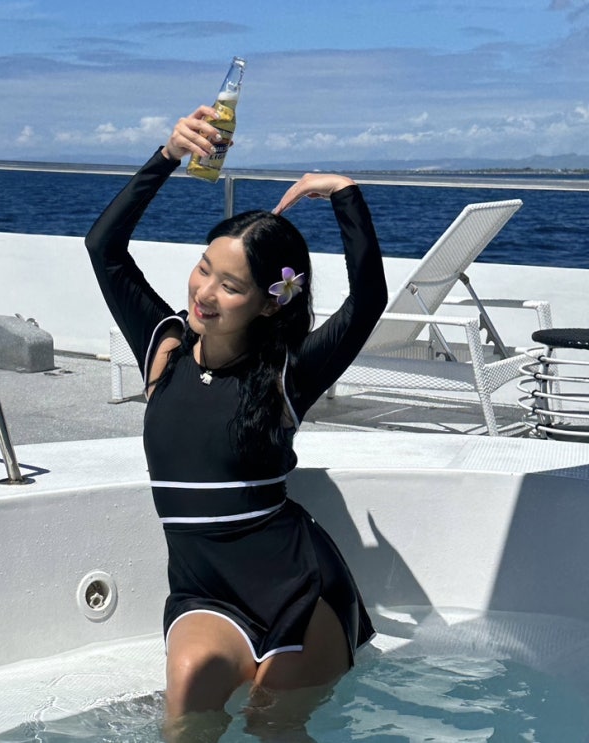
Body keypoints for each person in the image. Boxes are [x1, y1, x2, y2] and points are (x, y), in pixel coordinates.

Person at [85, 105, 388, 740]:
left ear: (268, 302)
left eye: (230, 285)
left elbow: (368, 301)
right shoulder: (163, 346)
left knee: (270, 725)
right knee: (184, 713)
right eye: (204, 267)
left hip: (296, 590)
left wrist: (345, 194)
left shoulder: (286, 374)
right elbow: (103, 248)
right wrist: (168, 156)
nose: (204, 292)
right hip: (204, 592)